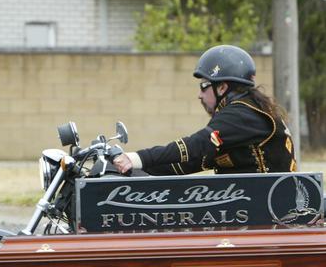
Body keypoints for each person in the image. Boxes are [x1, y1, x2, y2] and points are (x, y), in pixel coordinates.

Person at [112, 44, 296, 175]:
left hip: (269, 211)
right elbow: (191, 161)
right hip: (255, 206)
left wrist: (135, 158)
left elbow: (196, 144)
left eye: (204, 86)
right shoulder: (246, 112)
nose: (199, 95)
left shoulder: (242, 114)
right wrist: (135, 169)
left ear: (222, 87)